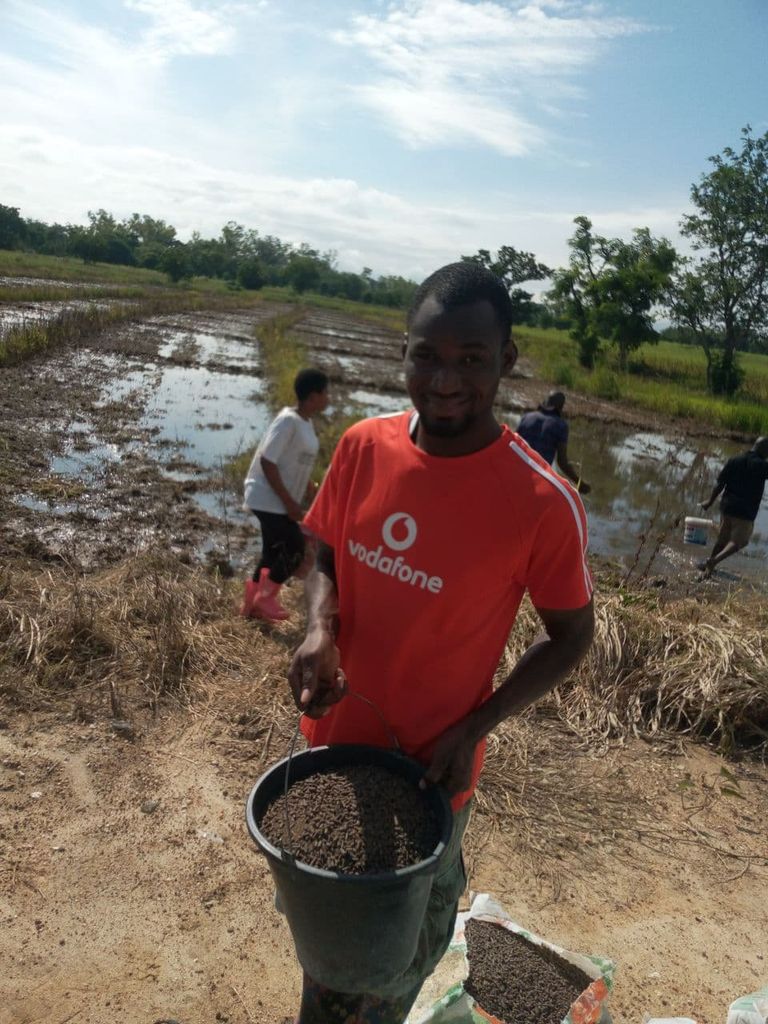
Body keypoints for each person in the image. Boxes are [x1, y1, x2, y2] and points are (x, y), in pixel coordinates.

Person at [286, 262, 595, 1023]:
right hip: (332, 744)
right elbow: (325, 548)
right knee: (326, 946)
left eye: (471, 359)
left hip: (430, 766)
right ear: (405, 353)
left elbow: (571, 636)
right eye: (427, 355)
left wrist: (477, 725)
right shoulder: (364, 446)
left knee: (389, 959)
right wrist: (321, 625)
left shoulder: (541, 503)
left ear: (507, 361)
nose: (445, 380)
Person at [240, 368, 329, 621]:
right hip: (268, 498)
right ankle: (265, 598)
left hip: (278, 500)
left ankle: (251, 606)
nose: (328, 398)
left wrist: (308, 487)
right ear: (314, 396)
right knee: (295, 548)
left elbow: (295, 461)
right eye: (325, 393)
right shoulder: (288, 420)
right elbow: (268, 461)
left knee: (271, 552)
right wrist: (289, 501)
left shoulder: (305, 422)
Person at [698, 436, 768, 577]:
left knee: (722, 540)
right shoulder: (763, 466)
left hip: (727, 507)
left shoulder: (735, 460)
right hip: (745, 512)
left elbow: (720, 484)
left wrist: (709, 501)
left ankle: (708, 568)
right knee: (737, 543)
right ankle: (714, 561)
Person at [516, 391, 591, 494]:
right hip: (538, 479)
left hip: (516, 472)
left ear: (546, 402)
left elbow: (512, 445)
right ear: (561, 407)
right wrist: (579, 483)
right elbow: (562, 462)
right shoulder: (560, 425)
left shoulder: (527, 417)